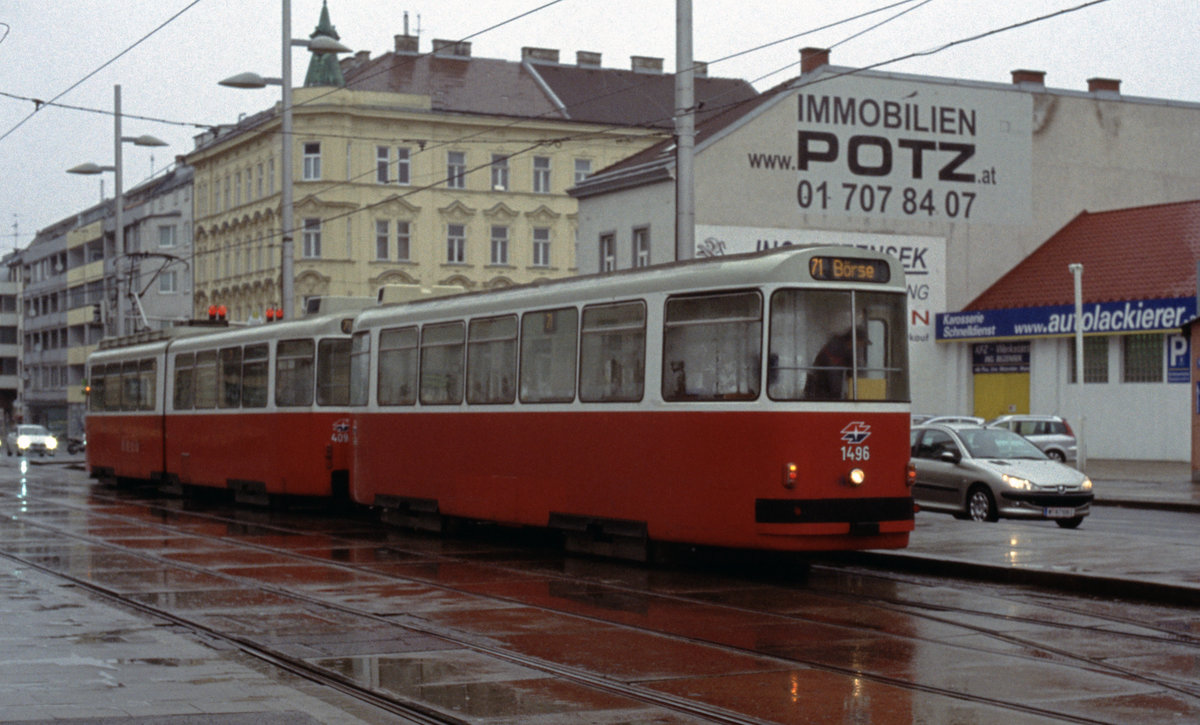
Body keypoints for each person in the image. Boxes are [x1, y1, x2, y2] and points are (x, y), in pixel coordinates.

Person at [804, 325, 867, 400]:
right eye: (861, 343)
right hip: (819, 393)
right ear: (854, 340)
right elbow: (833, 375)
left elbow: (853, 371)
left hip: (825, 390)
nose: (860, 346)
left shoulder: (845, 350)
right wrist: (838, 397)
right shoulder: (835, 349)